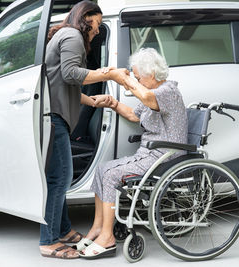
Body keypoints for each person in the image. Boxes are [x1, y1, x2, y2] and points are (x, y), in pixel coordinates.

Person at [77, 48, 188, 259]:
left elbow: (145, 97)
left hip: (164, 156)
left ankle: (107, 238)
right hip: (150, 154)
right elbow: (133, 115)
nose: (136, 80)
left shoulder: (167, 92)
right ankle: (98, 228)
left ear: (151, 74)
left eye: (138, 76)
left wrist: (125, 80)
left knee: (110, 175)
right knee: (102, 169)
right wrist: (112, 102)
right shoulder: (154, 93)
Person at [39, 0, 128, 259]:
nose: (98, 30)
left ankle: (64, 230)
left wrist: (91, 100)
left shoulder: (65, 35)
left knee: (58, 178)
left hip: (55, 116)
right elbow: (70, 74)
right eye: (98, 23)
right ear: (85, 17)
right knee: (60, 179)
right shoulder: (73, 35)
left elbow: (64, 83)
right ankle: (49, 240)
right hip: (54, 118)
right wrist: (109, 74)